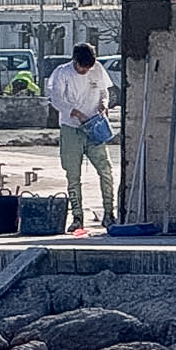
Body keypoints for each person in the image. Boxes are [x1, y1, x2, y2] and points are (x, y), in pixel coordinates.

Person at [46, 42, 115, 231]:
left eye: (88, 66)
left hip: (95, 127)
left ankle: (109, 213)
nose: (85, 70)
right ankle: (77, 217)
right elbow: (57, 99)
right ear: (75, 61)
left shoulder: (98, 69)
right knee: (73, 175)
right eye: (82, 66)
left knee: (106, 171)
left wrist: (104, 103)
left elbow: (104, 91)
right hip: (72, 129)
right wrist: (74, 112)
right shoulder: (62, 73)